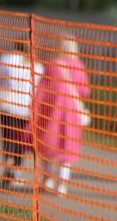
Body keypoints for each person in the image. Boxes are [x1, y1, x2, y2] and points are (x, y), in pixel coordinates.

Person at [36, 37, 90, 197]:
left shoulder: (53, 65)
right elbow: (85, 91)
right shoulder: (79, 67)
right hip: (72, 114)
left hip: (52, 112)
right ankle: (62, 185)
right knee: (67, 148)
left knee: (48, 145)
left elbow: (42, 90)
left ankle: (47, 180)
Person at [0, 40, 44, 188]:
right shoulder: (37, 66)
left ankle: (9, 169)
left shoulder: (7, 59)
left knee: (7, 138)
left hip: (7, 105)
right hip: (25, 109)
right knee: (21, 141)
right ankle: (16, 171)